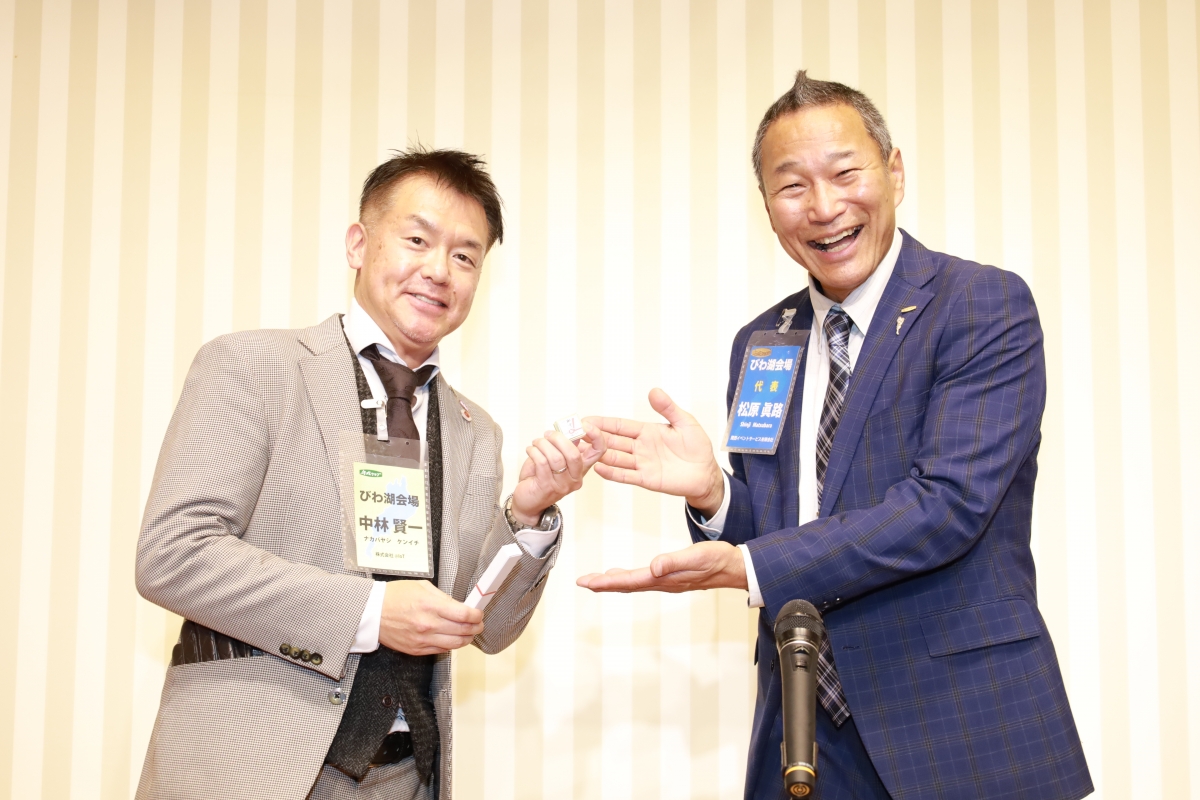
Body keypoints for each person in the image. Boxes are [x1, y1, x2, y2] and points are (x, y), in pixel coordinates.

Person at [578, 71, 1093, 800]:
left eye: (845, 173)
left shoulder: (980, 304)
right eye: (792, 186)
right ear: (768, 208)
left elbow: (946, 507)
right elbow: (788, 532)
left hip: (960, 724)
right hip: (804, 731)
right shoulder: (764, 341)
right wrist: (716, 496)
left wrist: (747, 565)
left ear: (895, 171)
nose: (823, 207)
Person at [135, 147, 604, 800]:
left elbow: (488, 628)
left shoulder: (476, 431)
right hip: (250, 768)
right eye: (417, 240)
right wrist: (370, 611)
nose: (438, 270)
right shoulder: (255, 366)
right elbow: (172, 555)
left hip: (407, 775)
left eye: (465, 257)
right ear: (358, 244)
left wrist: (526, 513)